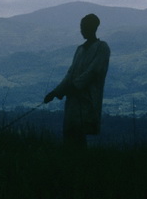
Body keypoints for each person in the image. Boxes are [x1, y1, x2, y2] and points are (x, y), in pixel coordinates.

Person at [43, 13, 110, 147]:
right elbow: (70, 74)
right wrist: (56, 92)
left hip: (88, 98)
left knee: (80, 132)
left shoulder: (102, 48)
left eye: (84, 27)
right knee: (71, 133)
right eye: (81, 27)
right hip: (73, 99)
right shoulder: (79, 49)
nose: (82, 30)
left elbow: (93, 71)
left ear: (93, 28)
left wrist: (73, 87)